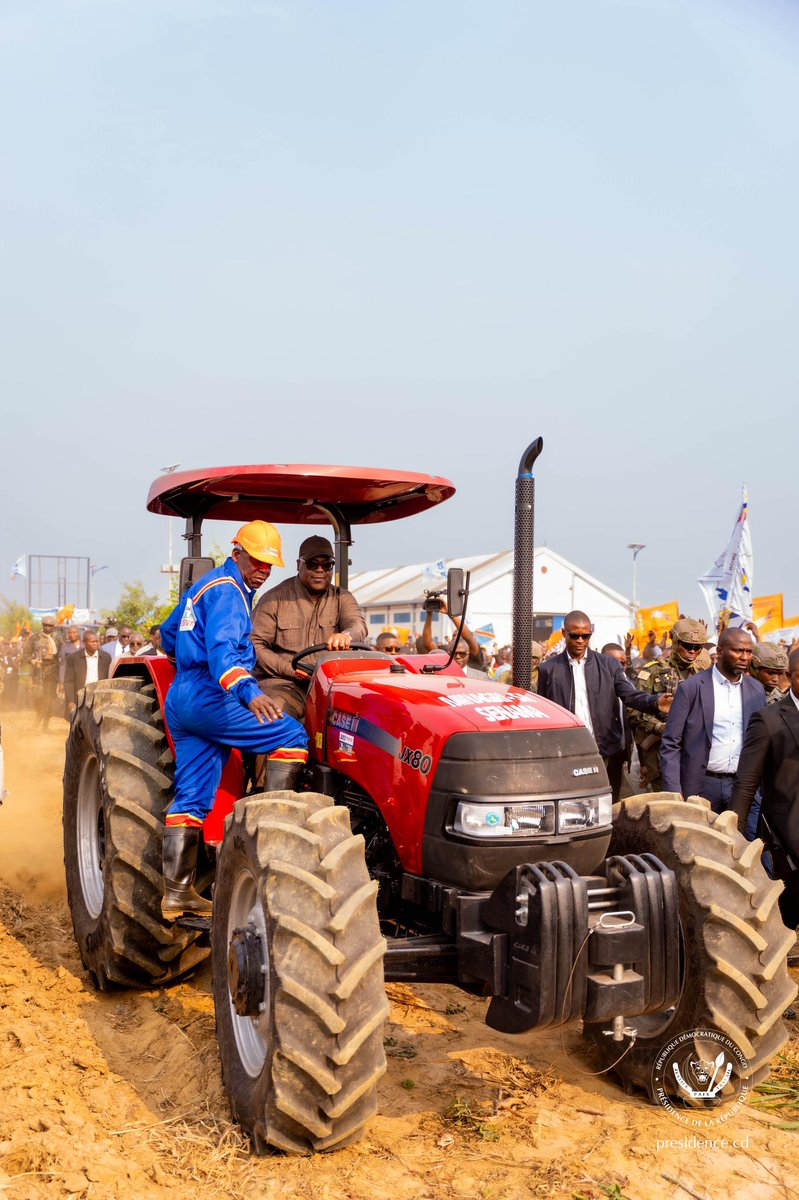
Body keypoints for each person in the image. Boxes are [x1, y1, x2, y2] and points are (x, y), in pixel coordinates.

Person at [159, 520, 309, 920]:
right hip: (211, 692)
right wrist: (251, 692)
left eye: (269, 565)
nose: (263, 570)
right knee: (292, 736)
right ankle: (277, 842)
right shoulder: (229, 594)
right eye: (257, 561)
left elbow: (168, 633)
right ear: (237, 552)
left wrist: (189, 664)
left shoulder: (205, 585)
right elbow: (224, 654)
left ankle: (177, 893)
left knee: (192, 796)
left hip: (183, 696)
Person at [536, 610, 672, 802]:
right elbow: (544, 714)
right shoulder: (548, 669)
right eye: (574, 635)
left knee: (608, 806)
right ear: (564, 633)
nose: (580, 641)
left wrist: (655, 702)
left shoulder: (609, 665)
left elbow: (630, 695)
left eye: (586, 636)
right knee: (573, 805)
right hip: (567, 753)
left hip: (605, 751)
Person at [251, 535, 367, 720]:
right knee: (275, 715)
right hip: (284, 684)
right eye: (313, 564)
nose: (320, 570)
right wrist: (291, 670)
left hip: (330, 684)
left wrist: (346, 635)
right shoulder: (274, 599)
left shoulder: (342, 598)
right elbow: (255, 645)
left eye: (327, 564)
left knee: (365, 717)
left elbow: (357, 625)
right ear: (299, 564)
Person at [660, 627, 766, 813]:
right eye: (738, 650)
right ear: (719, 651)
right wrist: (674, 791)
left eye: (748, 652)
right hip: (701, 787)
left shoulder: (756, 690)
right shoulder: (692, 688)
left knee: (742, 840)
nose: (744, 657)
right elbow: (671, 743)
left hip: (742, 787)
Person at [731, 648, 799, 928]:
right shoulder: (768, 719)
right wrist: (734, 835)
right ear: (789, 677)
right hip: (789, 829)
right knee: (789, 903)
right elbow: (747, 782)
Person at [628, 618, 708, 792]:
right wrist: (661, 727)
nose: (692, 652)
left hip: (693, 752)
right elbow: (633, 710)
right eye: (687, 646)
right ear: (675, 641)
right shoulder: (652, 671)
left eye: (697, 647)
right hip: (659, 751)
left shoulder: (703, 675)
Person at [24, 617, 60, 729]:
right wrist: (32, 661)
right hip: (38, 671)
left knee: (49, 697)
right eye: (45, 625)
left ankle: (45, 723)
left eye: (50, 625)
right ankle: (38, 716)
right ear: (42, 625)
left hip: (53, 671)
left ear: (54, 627)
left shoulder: (58, 639)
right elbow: (26, 654)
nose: (47, 627)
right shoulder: (34, 638)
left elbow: (63, 655)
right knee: (37, 696)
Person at [64, 631, 112, 714]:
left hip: (99, 697)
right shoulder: (74, 658)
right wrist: (70, 700)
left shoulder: (106, 657)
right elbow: (69, 681)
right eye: (92, 641)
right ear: (84, 642)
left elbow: (108, 679)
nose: (95, 644)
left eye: (97, 641)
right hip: (80, 697)